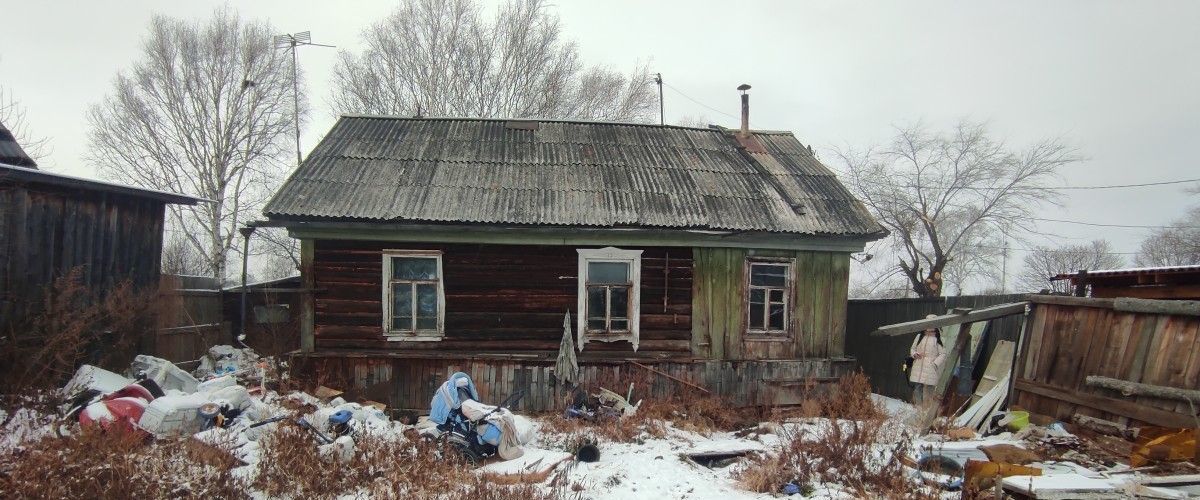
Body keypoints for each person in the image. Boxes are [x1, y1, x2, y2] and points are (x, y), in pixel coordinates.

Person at [908, 315, 946, 404]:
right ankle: (919, 409)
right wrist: (914, 354)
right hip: (918, 366)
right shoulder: (919, 336)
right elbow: (912, 348)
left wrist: (935, 364)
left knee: (929, 389)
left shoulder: (939, 338)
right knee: (917, 388)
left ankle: (927, 409)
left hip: (930, 368)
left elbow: (943, 354)